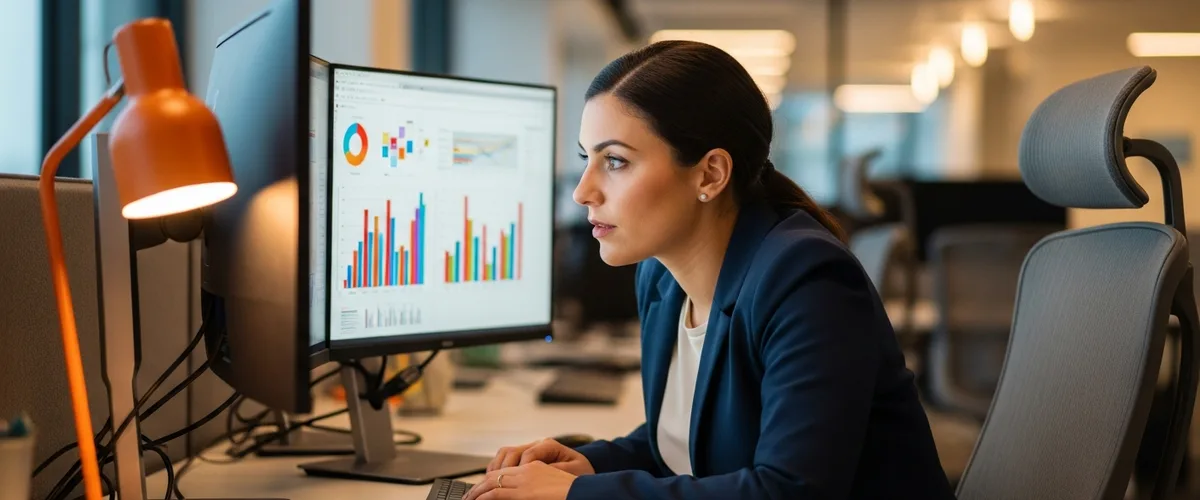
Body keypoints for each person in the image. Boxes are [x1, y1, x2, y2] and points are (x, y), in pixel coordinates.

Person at [463, 40, 954, 500]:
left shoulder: (807, 280)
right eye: (585, 158)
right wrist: (589, 464)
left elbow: (789, 490)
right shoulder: (660, 278)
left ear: (710, 173)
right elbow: (693, 446)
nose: (583, 191)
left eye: (614, 161)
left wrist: (577, 495)